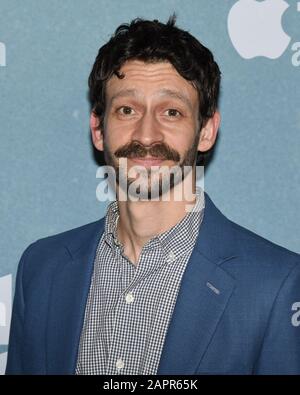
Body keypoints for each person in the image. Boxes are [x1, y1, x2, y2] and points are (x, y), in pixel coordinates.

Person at [6, 15, 300, 375]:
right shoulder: (41, 269)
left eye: (171, 112)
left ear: (206, 131)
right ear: (98, 129)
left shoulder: (275, 284)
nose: (146, 135)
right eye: (127, 110)